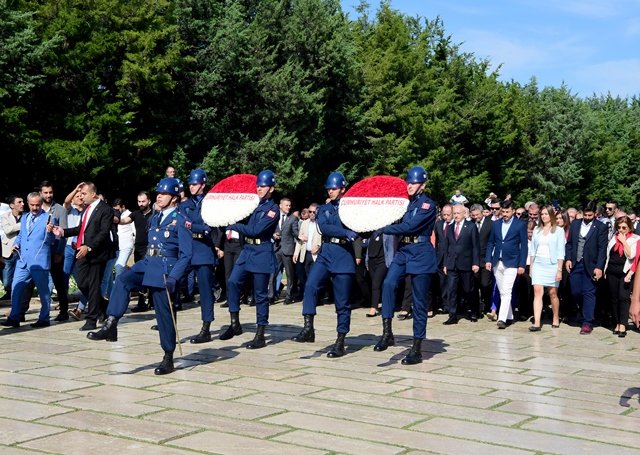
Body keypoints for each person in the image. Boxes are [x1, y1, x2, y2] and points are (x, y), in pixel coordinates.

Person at [85, 178, 192, 375]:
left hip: (165, 268)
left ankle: (168, 356)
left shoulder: (181, 221)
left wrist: (174, 278)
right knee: (123, 278)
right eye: (158, 193)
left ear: (175, 198)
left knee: (164, 314)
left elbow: (186, 255)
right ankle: (111, 323)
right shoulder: (156, 217)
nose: (159, 196)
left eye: (164, 194)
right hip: (147, 263)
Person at [373, 166, 437, 365]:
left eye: (414, 183)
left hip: (420, 251)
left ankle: (417, 347)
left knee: (418, 302)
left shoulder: (428, 205)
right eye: (408, 182)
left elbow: (410, 226)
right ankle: (387, 332)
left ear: (423, 185)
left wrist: (385, 228)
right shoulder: (404, 204)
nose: (410, 186)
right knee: (389, 284)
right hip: (404, 250)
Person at [291, 172, 357, 358]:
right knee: (310, 285)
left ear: (343, 189)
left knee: (342, 303)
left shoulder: (351, 207)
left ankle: (340, 340)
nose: (331, 191)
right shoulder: (323, 209)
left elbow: (360, 225)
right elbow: (324, 227)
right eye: (329, 188)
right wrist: (346, 232)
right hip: (327, 252)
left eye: (334, 188)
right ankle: (308, 328)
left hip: (344, 255)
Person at [218, 170, 280, 349]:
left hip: (261, 251)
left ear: (272, 188)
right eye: (258, 186)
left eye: (263, 186)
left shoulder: (272, 210)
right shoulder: (253, 205)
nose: (259, 189)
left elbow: (255, 231)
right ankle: (235, 323)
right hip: (248, 251)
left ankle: (260, 333)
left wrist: (234, 225)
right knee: (233, 282)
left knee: (260, 295)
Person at [52, 182, 115, 330]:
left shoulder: (106, 210)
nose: (80, 196)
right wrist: (63, 232)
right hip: (82, 251)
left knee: (93, 286)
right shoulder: (87, 209)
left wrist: (90, 246)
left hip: (97, 254)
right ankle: (103, 305)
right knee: (81, 282)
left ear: (93, 194)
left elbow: (103, 232)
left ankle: (92, 319)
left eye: (83, 194)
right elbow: (81, 229)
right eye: (80, 194)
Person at [1, 193, 56, 328]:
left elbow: (50, 241)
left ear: (41, 203)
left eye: (37, 205)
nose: (35, 207)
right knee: (16, 287)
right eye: (32, 205)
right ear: (28, 203)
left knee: (44, 292)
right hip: (22, 260)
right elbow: (21, 234)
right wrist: (17, 243)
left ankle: (44, 319)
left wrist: (50, 232)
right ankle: (14, 317)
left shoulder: (49, 218)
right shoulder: (25, 217)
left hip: (39, 261)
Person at [181, 168, 219, 344]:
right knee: (171, 284)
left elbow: (209, 227)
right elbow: (182, 222)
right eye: (190, 184)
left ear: (203, 185)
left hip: (204, 250)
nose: (191, 187)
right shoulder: (185, 204)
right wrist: (195, 226)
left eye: (195, 184)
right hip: (188, 249)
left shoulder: (211, 203)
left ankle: (206, 327)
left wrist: (192, 225)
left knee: (205, 291)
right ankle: (168, 320)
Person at [565, 201, 608, 335]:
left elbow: (602, 249)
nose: (588, 217)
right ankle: (583, 312)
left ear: (595, 214)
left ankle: (587, 322)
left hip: (591, 264)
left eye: (590, 215)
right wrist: (568, 259)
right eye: (586, 215)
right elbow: (570, 244)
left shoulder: (600, 227)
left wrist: (599, 267)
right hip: (576, 263)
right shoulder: (575, 224)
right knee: (575, 291)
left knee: (589, 292)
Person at [485, 199, 528, 329]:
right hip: (497, 261)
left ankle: (501, 318)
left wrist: (522, 264)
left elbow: (524, 246)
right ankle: (509, 316)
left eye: (507, 212)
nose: (505, 214)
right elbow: (491, 242)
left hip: (512, 262)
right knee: (502, 290)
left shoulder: (520, 225)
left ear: (513, 211)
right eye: (503, 211)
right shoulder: (496, 224)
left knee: (507, 290)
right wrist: (488, 259)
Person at [529, 206, 566, 331]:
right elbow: (533, 249)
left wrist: (559, 269)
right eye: (542, 214)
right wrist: (531, 266)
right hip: (538, 263)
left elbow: (561, 251)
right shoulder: (536, 229)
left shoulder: (559, 231)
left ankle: (556, 316)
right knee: (537, 291)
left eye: (546, 214)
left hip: (552, 264)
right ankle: (537, 322)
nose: (544, 216)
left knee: (552, 293)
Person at [442, 203, 480, 323]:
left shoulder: (471, 226)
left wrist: (475, 263)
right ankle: (452, 315)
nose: (456, 215)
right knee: (451, 289)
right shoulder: (450, 227)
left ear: (464, 214)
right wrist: (446, 264)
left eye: (458, 213)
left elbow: (475, 246)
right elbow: (446, 246)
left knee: (468, 289)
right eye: (454, 213)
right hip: (452, 264)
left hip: (466, 263)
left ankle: (473, 311)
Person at [119, 191, 153, 312]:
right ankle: (142, 301)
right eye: (139, 201)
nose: (141, 204)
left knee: (150, 275)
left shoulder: (154, 215)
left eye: (143, 201)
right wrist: (114, 218)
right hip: (138, 248)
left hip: (150, 248)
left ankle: (151, 300)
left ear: (149, 201)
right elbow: (124, 221)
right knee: (140, 275)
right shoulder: (136, 214)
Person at [604, 216, 638, 337]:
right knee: (613, 298)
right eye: (619, 227)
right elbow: (608, 255)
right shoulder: (613, 238)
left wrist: (623, 241)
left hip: (625, 271)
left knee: (623, 297)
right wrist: (605, 270)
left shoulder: (635, 239)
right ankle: (616, 322)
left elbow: (631, 256)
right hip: (612, 270)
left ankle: (623, 324)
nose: (621, 230)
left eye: (624, 227)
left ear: (629, 227)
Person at [1, 196, 24, 301]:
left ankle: (16, 296)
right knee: (6, 281)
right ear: (12, 205)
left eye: (23, 202)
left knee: (20, 276)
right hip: (8, 251)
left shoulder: (26, 216)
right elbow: (7, 230)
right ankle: (9, 293)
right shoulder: (5, 216)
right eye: (19, 202)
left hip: (22, 251)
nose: (22, 204)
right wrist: (22, 225)